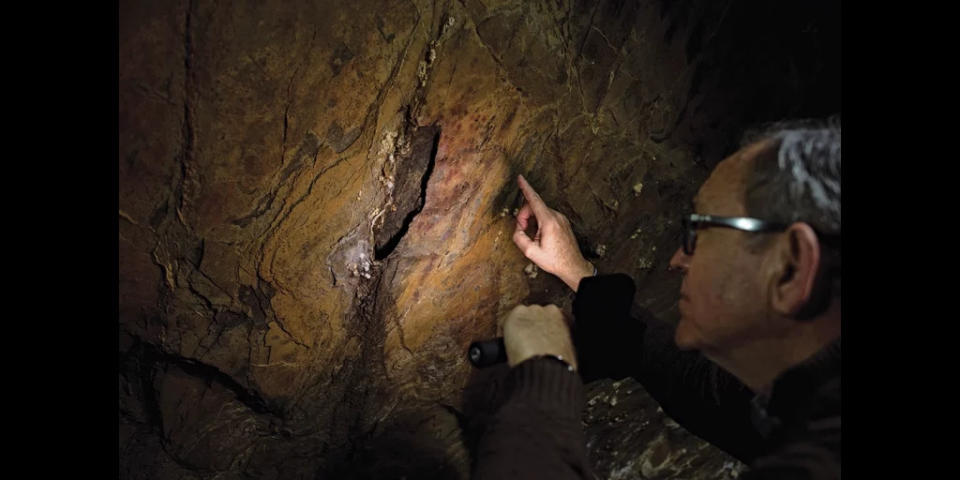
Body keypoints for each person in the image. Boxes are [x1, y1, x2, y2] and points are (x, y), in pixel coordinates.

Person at [472, 121, 841, 479]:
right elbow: (714, 398)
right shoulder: (805, 403)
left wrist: (545, 375)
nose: (676, 260)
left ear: (792, 266)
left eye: (704, 231)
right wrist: (581, 277)